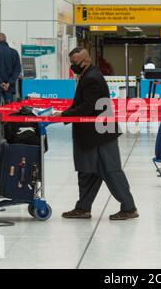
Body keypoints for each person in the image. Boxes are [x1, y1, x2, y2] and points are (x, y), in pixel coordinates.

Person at [54, 47, 138, 221]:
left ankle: (129, 208)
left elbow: (87, 106)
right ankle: (83, 208)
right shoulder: (87, 75)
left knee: (111, 171)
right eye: (71, 63)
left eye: (75, 63)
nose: (72, 66)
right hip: (91, 134)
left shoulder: (92, 78)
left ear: (86, 61)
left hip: (100, 134)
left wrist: (64, 114)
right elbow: (84, 103)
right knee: (87, 172)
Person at [0, 33, 21, 105]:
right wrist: (9, 83)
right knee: (9, 108)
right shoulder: (14, 52)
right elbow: (17, 69)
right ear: (5, 40)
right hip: (9, 86)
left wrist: (0, 82)